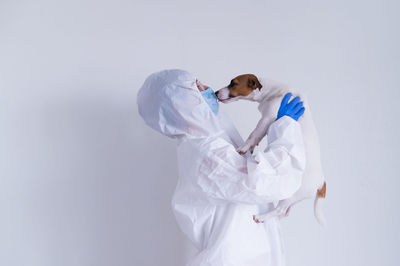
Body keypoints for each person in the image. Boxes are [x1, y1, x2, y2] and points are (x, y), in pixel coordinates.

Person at [137, 69, 306, 266]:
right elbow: (268, 182)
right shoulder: (207, 152)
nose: (207, 89)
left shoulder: (210, 142)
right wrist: (286, 128)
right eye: (196, 87)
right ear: (179, 103)